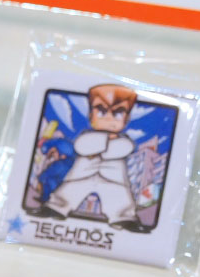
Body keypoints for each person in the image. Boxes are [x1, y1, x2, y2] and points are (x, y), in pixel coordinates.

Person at [36, 84, 143, 231]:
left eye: (117, 114)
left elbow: (122, 149)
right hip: (81, 174)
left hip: (113, 179)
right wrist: (104, 143)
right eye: (102, 112)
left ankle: (124, 218)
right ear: (91, 115)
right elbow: (81, 146)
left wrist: (103, 147)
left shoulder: (124, 142)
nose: (109, 119)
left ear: (126, 119)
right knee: (67, 192)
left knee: (120, 198)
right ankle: (55, 208)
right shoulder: (87, 137)